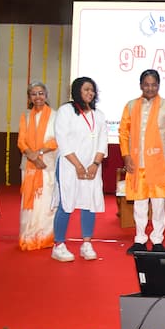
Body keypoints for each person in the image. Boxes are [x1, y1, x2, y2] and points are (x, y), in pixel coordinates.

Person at [119, 69, 165, 254]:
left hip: (159, 164)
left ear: (158, 85)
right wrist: (126, 156)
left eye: (153, 84)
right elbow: (123, 133)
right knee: (139, 203)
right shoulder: (131, 106)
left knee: (157, 203)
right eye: (146, 84)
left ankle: (157, 240)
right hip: (136, 163)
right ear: (141, 85)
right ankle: (139, 239)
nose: (150, 88)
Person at [51, 77, 108, 262]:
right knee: (66, 203)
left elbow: (102, 142)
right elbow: (63, 140)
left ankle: (86, 243)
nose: (90, 93)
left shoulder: (98, 115)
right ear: (77, 91)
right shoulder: (66, 111)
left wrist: (95, 164)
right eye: (86, 90)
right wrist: (78, 165)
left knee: (89, 203)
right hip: (69, 165)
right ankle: (58, 245)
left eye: (92, 90)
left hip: (92, 166)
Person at [17, 81, 57, 251]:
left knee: (46, 203)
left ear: (46, 96)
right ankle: (28, 236)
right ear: (29, 97)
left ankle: (45, 237)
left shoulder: (56, 115)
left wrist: (40, 153)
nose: (38, 97)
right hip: (29, 164)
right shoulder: (25, 116)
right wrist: (33, 156)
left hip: (48, 163)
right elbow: (21, 141)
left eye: (41, 93)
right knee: (30, 202)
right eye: (34, 94)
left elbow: (56, 139)